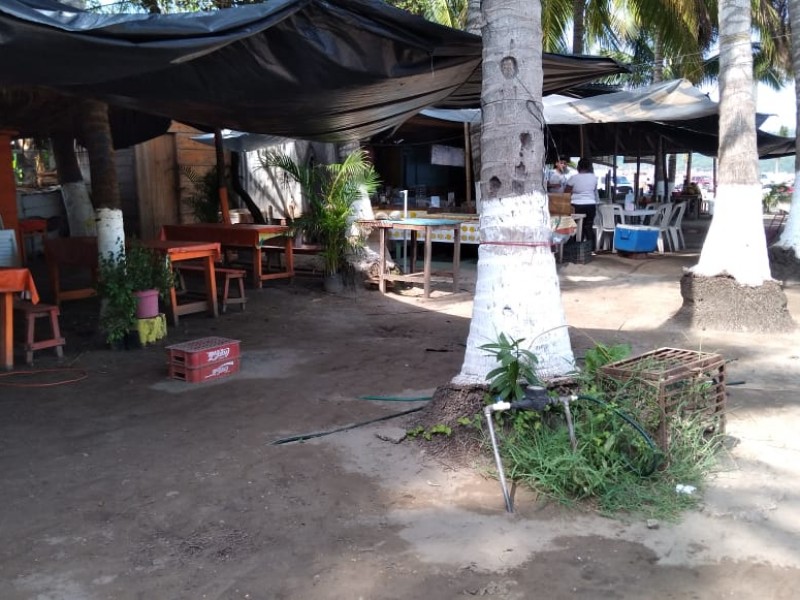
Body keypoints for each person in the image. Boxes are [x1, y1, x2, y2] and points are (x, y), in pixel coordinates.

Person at [564, 157, 598, 245]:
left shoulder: (574, 178)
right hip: (591, 205)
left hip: (576, 205)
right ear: (589, 167)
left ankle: (576, 246)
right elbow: (593, 190)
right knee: (588, 227)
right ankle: (591, 248)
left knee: (577, 227)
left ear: (578, 167)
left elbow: (566, 193)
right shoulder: (594, 178)